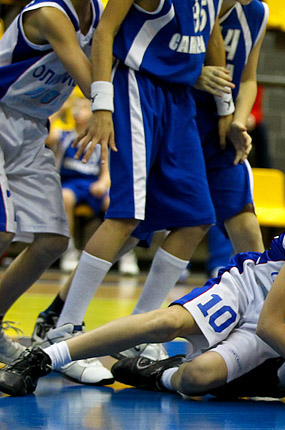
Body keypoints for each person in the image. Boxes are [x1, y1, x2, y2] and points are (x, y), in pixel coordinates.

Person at [29, 0, 241, 384]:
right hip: (135, 90)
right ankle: (64, 330)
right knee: (127, 215)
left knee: (196, 219)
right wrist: (102, 106)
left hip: (180, 101)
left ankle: (138, 335)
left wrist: (225, 109)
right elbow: (106, 33)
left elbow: (211, 38)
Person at [0, 215, 285, 400]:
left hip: (277, 328)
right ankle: (45, 356)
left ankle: (157, 374)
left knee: (198, 378)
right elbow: (270, 323)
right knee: (168, 321)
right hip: (250, 293)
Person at [0, 0, 101, 366]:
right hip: (0, 114)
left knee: (52, 241)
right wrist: (108, 110)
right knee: (3, 231)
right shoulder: (49, 12)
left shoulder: (98, 13)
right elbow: (92, 80)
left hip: (31, 127)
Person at [193, 0, 268, 257]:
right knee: (131, 227)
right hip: (179, 119)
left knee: (244, 217)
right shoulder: (192, 5)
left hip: (222, 130)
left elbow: (248, 79)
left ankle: (261, 294)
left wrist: (239, 121)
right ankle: (68, 296)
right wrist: (195, 75)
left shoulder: (257, 12)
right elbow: (158, 57)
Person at [47, 95, 139, 274]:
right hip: (70, 184)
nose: (82, 111)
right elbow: (48, 138)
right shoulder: (64, 136)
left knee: (115, 203)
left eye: (87, 107)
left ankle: (126, 254)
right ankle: (69, 250)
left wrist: (103, 184)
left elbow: (106, 174)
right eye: (80, 108)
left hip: (93, 184)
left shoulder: (100, 141)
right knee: (65, 197)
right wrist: (61, 109)